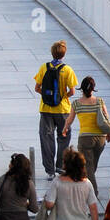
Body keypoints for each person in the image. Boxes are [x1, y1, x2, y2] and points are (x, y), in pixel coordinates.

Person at [62, 76, 110, 197]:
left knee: (88, 167)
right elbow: (106, 119)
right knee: (92, 165)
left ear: (81, 89)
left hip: (85, 139)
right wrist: (109, 134)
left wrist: (64, 129)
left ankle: (92, 192)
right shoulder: (100, 102)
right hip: (100, 138)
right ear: (93, 88)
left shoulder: (76, 104)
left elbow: (69, 120)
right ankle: (88, 184)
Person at [35, 40, 77, 180]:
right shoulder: (67, 70)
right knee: (64, 137)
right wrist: (61, 97)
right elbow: (72, 91)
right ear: (64, 54)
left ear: (52, 52)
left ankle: (49, 170)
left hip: (46, 109)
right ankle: (61, 166)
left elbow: (37, 88)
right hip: (63, 110)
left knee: (46, 139)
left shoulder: (44, 67)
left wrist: (47, 97)